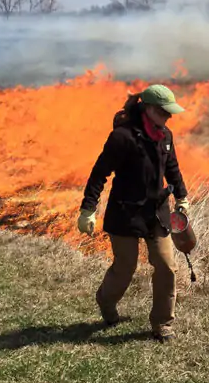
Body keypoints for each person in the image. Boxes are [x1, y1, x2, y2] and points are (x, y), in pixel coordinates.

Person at [76, 83, 191, 342]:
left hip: (157, 212)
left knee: (166, 267)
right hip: (125, 212)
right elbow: (99, 172)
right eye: (164, 112)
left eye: (169, 113)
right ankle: (106, 302)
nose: (168, 117)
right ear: (148, 109)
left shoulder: (166, 136)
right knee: (125, 268)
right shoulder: (123, 136)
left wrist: (182, 197)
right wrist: (88, 209)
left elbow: (172, 168)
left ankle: (162, 324)